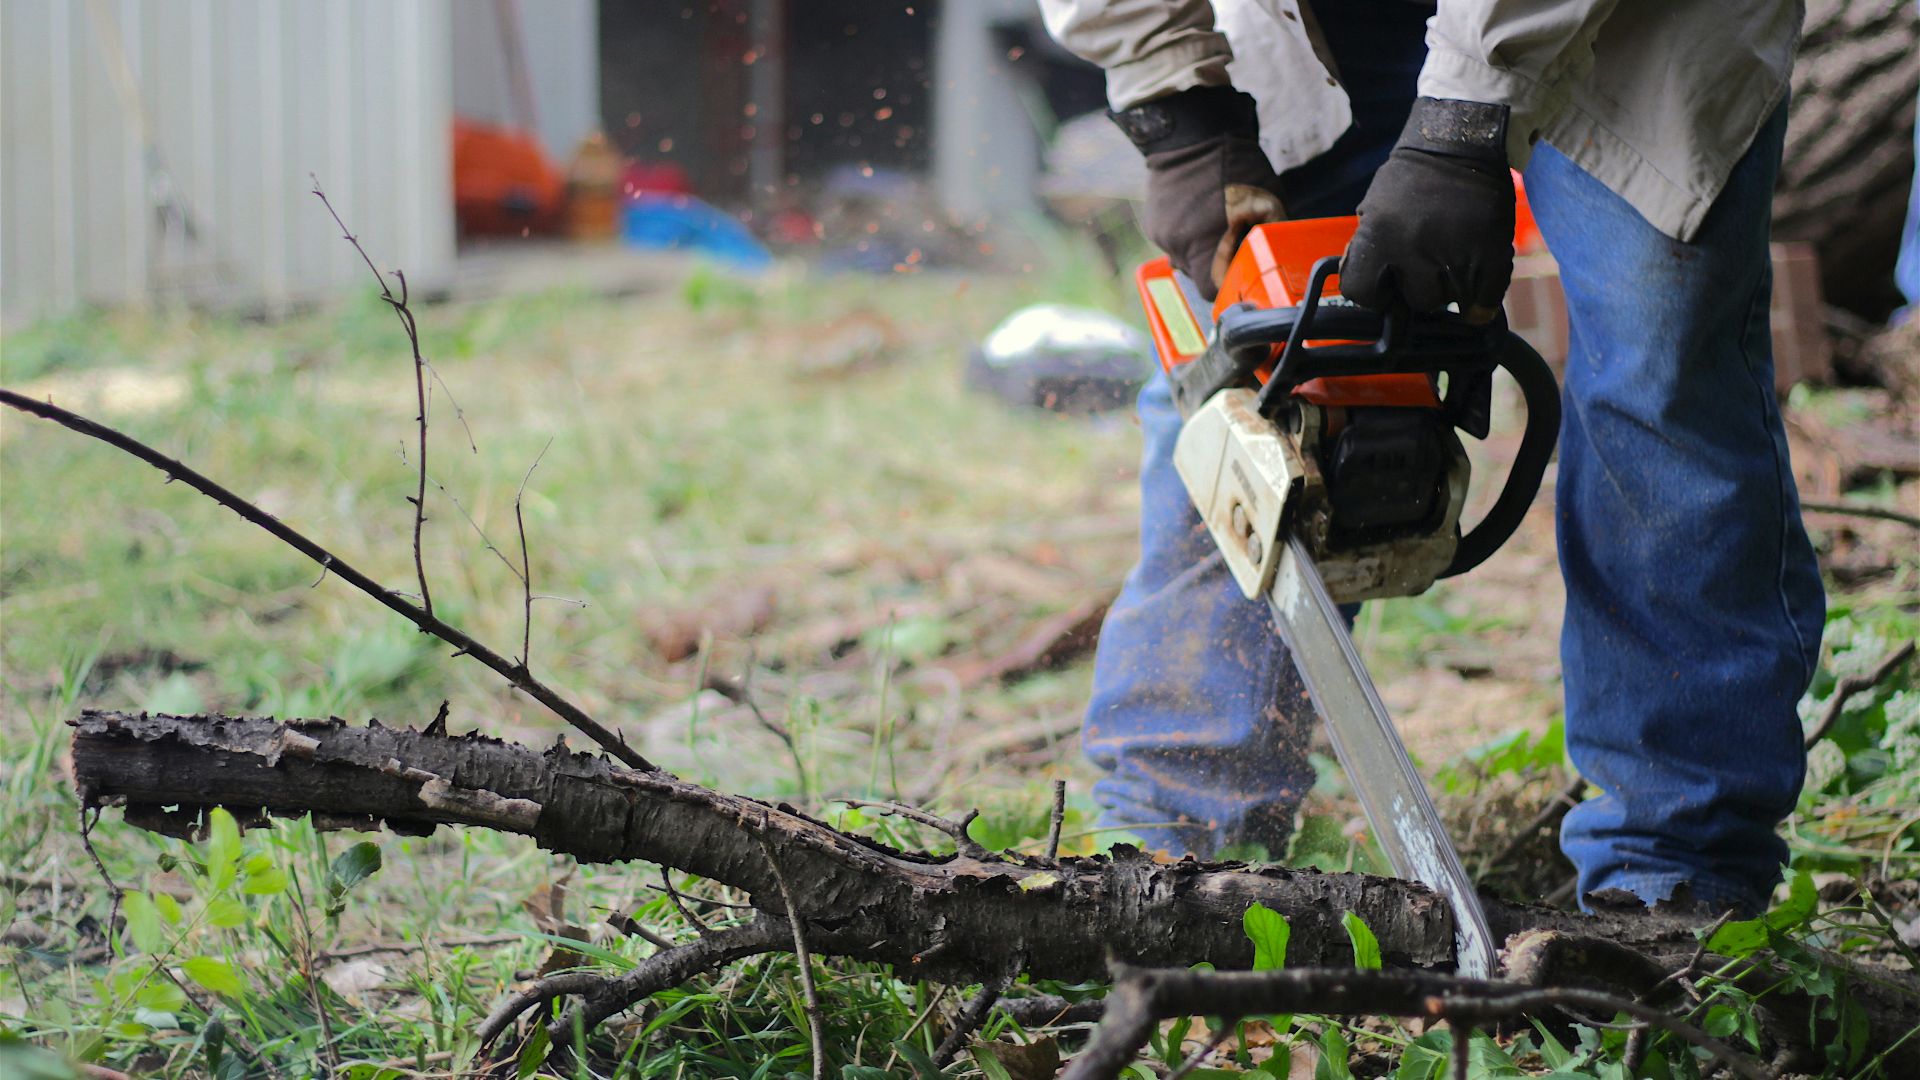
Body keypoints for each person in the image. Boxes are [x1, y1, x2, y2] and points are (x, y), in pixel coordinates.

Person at [1037, 0, 1827, 917]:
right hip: (1318, 27)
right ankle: (1172, 847)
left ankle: (1678, 867)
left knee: (1663, 369)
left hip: (1628, 25)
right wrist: (1174, 105)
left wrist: (1462, 124)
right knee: (1249, 359)